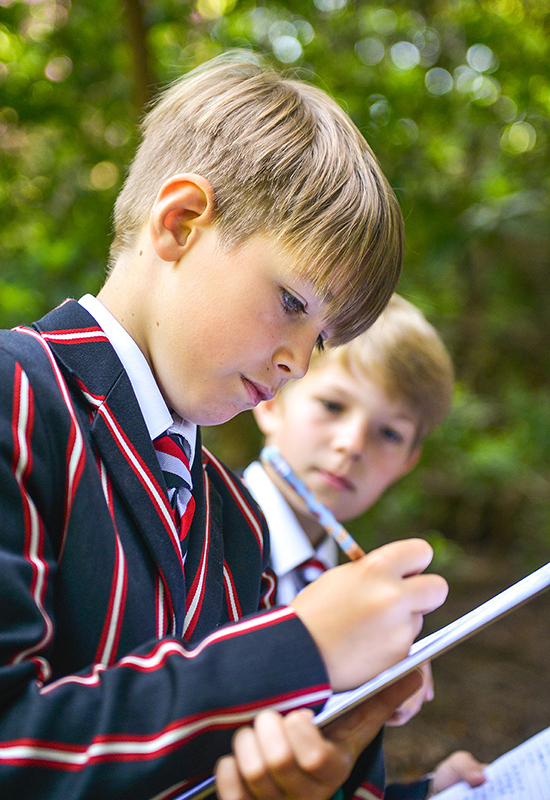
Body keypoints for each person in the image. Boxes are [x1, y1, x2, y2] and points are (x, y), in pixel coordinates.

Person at [0, 54, 449, 800]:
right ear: (179, 223)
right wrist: (297, 647)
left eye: (324, 340)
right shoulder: (17, 394)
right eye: (294, 304)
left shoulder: (233, 520)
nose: (298, 362)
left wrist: (345, 724)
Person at [242, 294, 486, 798]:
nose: (352, 443)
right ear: (271, 398)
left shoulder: (352, 589)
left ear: (408, 461)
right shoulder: (195, 537)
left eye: (389, 433)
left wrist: (420, 793)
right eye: (332, 405)